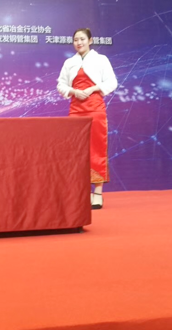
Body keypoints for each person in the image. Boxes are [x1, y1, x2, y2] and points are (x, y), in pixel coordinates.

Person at [57, 28, 117, 209]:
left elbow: (111, 82)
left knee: (96, 149)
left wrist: (93, 89)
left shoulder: (101, 59)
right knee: (77, 151)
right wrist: (73, 91)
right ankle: (81, 191)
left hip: (95, 109)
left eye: (82, 39)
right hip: (76, 110)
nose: (79, 42)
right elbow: (61, 85)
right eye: (76, 40)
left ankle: (97, 192)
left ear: (90, 41)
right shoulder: (69, 62)